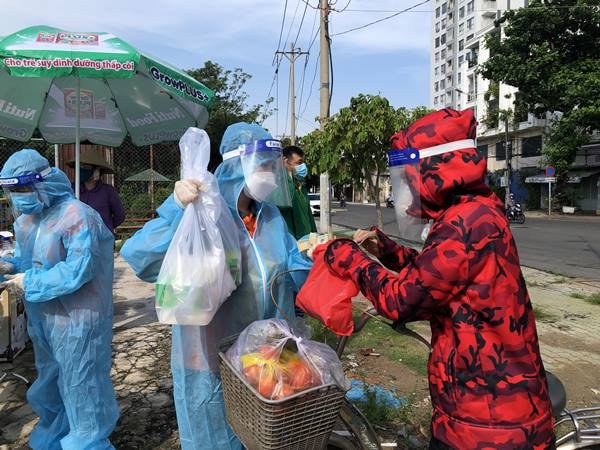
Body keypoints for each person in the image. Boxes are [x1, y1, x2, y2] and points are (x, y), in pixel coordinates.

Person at [317, 109, 554, 449]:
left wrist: (347, 257)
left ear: (435, 170)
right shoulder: (472, 211)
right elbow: (439, 279)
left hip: (489, 424)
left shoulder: (466, 224)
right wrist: (386, 250)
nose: (406, 190)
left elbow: (403, 300)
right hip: (481, 410)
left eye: (408, 179)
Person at [120, 123, 312, 450]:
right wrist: (175, 211)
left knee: (258, 435)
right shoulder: (203, 212)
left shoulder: (270, 218)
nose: (270, 172)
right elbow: (141, 256)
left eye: (272, 165)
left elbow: (288, 265)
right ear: (238, 165)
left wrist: (315, 256)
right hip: (209, 357)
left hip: (261, 357)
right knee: (213, 436)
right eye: (263, 164)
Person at [0, 149, 119, 449]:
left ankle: (89, 441)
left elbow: (80, 269)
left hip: (80, 319)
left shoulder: (78, 216)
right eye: (12, 191)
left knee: (82, 385)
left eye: (23, 188)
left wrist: (29, 280)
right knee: (51, 381)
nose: (18, 197)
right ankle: (56, 433)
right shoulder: (27, 222)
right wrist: (12, 267)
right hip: (44, 320)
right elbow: (34, 264)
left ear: (43, 183)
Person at [67, 151, 125, 232]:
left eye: (86, 168)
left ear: (97, 172)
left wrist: (106, 228)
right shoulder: (72, 189)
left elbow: (120, 215)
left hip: (103, 239)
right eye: (80, 167)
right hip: (78, 237)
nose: (82, 170)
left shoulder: (108, 191)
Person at [278, 145, 317, 239]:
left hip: (306, 241)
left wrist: (315, 235)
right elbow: (283, 205)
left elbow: (309, 216)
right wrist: (287, 175)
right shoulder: (278, 184)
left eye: (303, 163)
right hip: (290, 242)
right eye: (298, 163)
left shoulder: (301, 186)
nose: (302, 167)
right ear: (285, 161)